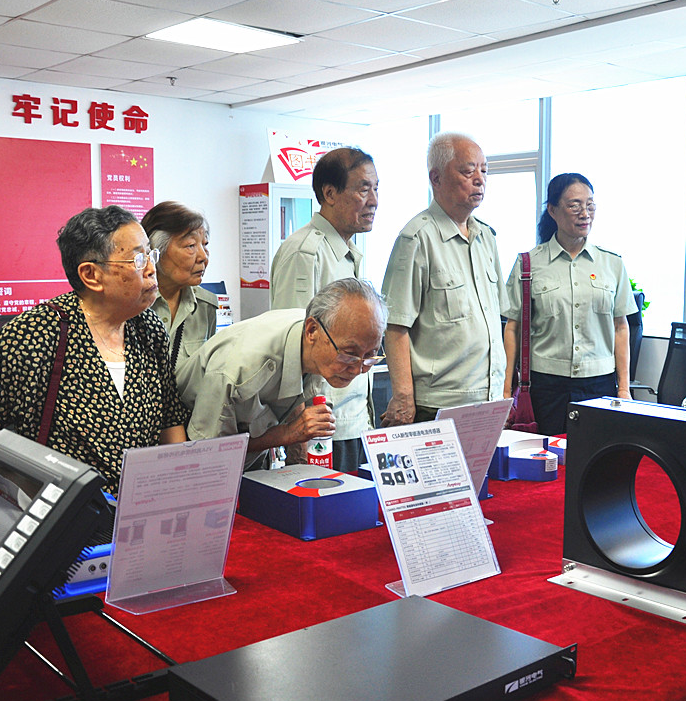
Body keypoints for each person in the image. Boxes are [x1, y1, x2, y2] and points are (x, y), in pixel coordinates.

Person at [0, 205, 189, 493]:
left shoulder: (149, 328)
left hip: (136, 509)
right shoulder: (36, 333)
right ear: (92, 275)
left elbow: (170, 418)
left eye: (150, 254)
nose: (152, 268)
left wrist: (177, 492)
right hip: (61, 517)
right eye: (137, 259)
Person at [178, 277, 386, 468]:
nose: (358, 369)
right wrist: (287, 434)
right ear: (312, 330)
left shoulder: (321, 337)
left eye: (370, 356)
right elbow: (207, 453)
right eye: (349, 355)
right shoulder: (240, 370)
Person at [380, 132, 506, 425]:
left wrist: (503, 390)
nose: (479, 179)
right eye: (467, 170)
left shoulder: (486, 237)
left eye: (484, 170)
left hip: (488, 399)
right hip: (439, 404)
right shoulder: (417, 238)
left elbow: (496, 321)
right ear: (436, 178)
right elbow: (395, 325)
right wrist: (403, 397)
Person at [270, 147, 378, 472]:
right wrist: (298, 439)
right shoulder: (306, 254)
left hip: (354, 422)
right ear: (329, 193)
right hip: (321, 430)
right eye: (363, 189)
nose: (374, 200)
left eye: (377, 188)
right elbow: (291, 350)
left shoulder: (349, 252)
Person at [503, 173, 635, 436]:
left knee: (595, 462)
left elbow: (621, 328)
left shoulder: (612, 264)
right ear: (552, 210)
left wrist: (623, 388)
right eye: (574, 205)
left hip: (599, 385)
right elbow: (512, 329)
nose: (584, 213)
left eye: (590, 205)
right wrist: (506, 391)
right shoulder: (529, 264)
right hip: (545, 387)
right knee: (546, 464)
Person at [141, 200, 218, 372]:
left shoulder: (206, 306)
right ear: (156, 250)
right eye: (190, 246)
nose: (203, 257)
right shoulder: (131, 306)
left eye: (205, 245)